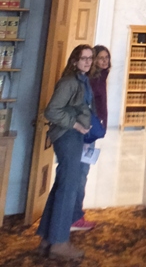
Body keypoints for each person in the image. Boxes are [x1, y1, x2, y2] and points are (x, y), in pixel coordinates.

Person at [37, 44, 94, 261]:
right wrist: (76, 126)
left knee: (62, 186)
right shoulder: (69, 82)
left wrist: (85, 136)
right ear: (74, 61)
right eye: (83, 58)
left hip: (75, 137)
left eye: (90, 58)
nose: (88, 62)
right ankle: (59, 243)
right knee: (68, 189)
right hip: (67, 136)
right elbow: (51, 110)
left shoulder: (82, 80)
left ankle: (47, 238)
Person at [71, 45, 111, 233]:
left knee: (82, 172)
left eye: (106, 58)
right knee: (80, 173)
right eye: (100, 58)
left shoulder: (101, 77)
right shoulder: (91, 79)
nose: (104, 61)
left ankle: (75, 214)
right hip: (86, 130)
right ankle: (74, 216)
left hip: (92, 129)